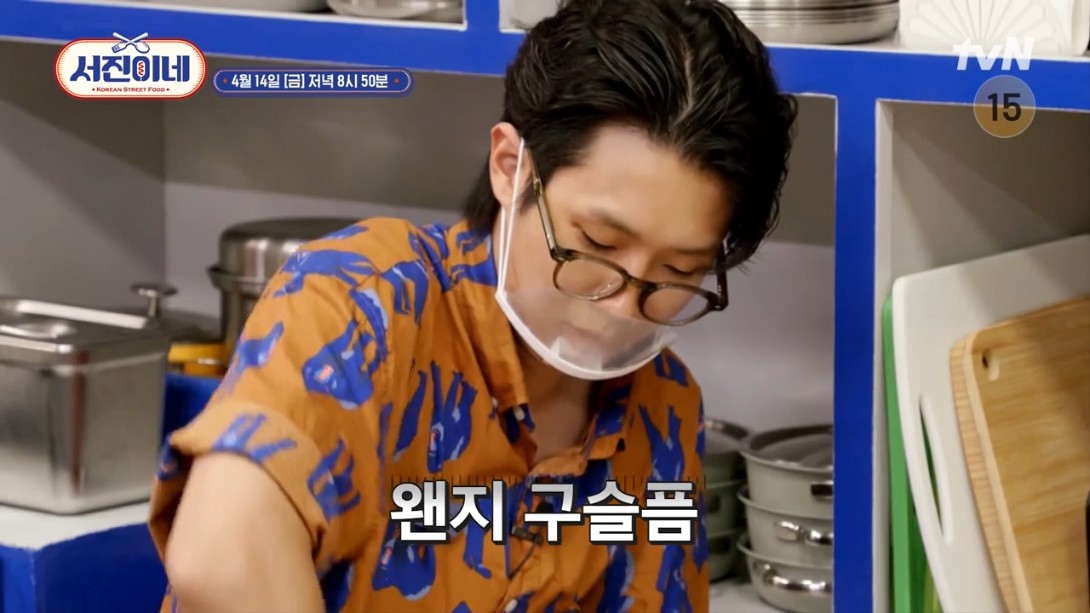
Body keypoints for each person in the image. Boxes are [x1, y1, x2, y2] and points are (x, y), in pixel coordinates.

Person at [149, 0, 796, 610]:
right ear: (511, 167)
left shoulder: (663, 409)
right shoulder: (365, 303)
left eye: (678, 272)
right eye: (597, 245)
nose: (624, 307)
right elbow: (222, 559)